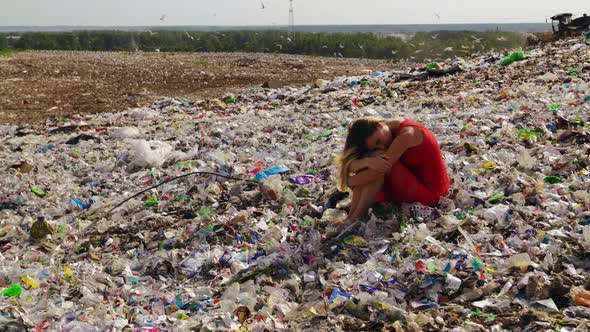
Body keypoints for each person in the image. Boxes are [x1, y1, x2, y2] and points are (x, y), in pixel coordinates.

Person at [334, 117, 450, 224]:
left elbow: (377, 172)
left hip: (431, 195)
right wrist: (367, 162)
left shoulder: (408, 134)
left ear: (379, 125)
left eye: (378, 142)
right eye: (376, 145)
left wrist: (349, 181)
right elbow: (350, 164)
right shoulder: (385, 129)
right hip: (412, 182)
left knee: (378, 159)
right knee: (374, 160)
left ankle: (354, 218)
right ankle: (352, 216)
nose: (381, 146)